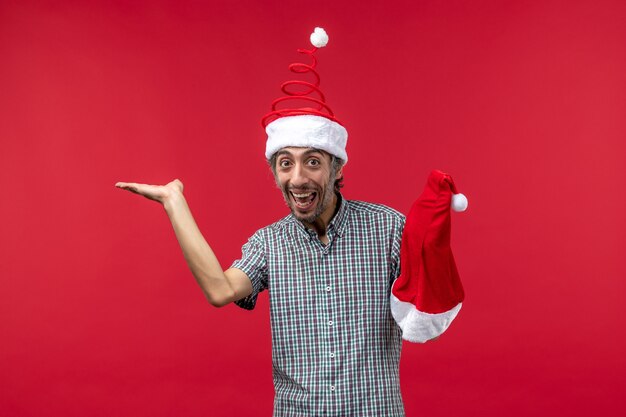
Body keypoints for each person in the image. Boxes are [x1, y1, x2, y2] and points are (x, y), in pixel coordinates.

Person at [116, 27, 465, 417]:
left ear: (336, 167)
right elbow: (219, 290)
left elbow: (429, 290)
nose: (298, 178)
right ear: (275, 172)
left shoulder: (386, 229)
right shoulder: (269, 244)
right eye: (286, 164)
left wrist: (433, 225)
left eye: (312, 161)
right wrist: (173, 202)